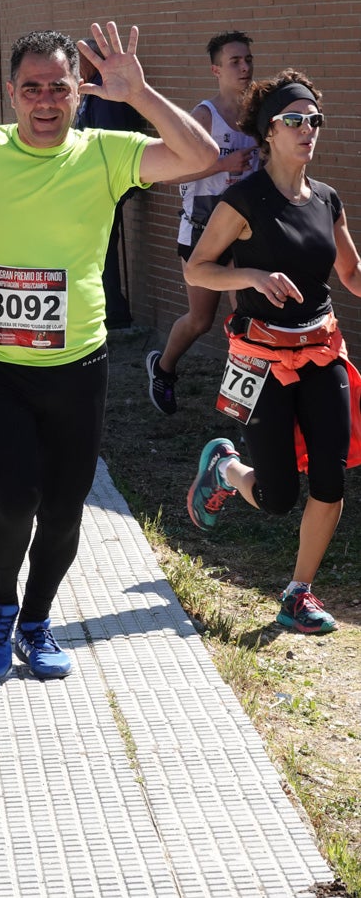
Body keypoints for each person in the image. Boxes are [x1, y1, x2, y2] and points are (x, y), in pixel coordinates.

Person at [0, 21, 218, 680]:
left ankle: (35, 619)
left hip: (77, 362)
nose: (45, 100)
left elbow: (199, 158)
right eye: (31, 88)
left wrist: (139, 93)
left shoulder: (105, 153)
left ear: (78, 92)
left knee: (62, 508)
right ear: (10, 92)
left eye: (59, 87)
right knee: (13, 501)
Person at [185, 69, 361, 634]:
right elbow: (198, 268)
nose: (308, 129)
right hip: (260, 358)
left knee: (331, 477)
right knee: (279, 495)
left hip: (322, 347)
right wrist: (256, 276)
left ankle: (297, 593)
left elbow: (351, 272)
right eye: (294, 120)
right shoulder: (244, 200)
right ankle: (227, 468)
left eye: (314, 119)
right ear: (268, 132)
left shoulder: (327, 199)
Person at [146, 31, 259, 414]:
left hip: (245, 229)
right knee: (201, 320)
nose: (244, 68)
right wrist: (223, 164)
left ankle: (245, 404)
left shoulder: (259, 114)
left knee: (245, 317)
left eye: (247, 60)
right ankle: (163, 368)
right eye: (234, 62)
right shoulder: (204, 116)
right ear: (216, 70)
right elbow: (168, 174)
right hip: (202, 227)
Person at [76, 37, 144, 330]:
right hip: (94, 182)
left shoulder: (107, 95)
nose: (76, 66)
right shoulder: (93, 92)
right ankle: (111, 307)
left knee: (102, 245)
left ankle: (114, 312)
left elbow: (109, 141)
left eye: (80, 60)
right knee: (100, 244)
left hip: (106, 183)